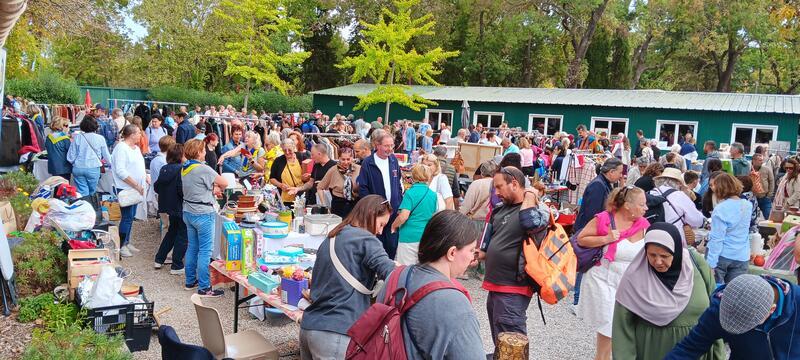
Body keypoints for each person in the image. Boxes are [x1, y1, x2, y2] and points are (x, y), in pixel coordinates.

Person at [299, 195, 396, 359]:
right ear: (371, 214)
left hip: (309, 327)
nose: (380, 232)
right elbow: (392, 274)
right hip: (337, 331)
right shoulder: (366, 240)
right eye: (381, 224)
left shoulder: (333, 236)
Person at [379, 210, 485, 359]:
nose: (472, 259)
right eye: (471, 250)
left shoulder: (396, 275)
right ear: (452, 253)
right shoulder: (456, 305)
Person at [613, 222, 724, 360]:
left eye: (664, 256)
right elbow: (622, 326)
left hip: (695, 352)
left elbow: (715, 313)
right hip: (651, 352)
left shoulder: (697, 266)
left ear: (676, 252)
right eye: (652, 255)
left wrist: (718, 354)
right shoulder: (635, 277)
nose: (658, 261)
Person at [576, 186, 650, 360]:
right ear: (627, 206)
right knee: (609, 325)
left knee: (621, 328)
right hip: (603, 279)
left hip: (629, 283)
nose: (646, 208)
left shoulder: (645, 225)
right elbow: (581, 239)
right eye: (642, 204)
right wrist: (606, 238)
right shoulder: (604, 219)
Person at [479, 166, 550, 348]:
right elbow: (490, 237)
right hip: (496, 286)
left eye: (499, 187)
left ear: (515, 184)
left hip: (514, 288)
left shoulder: (538, 210)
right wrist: (481, 253)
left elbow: (528, 221)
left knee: (512, 343)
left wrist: (531, 195)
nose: (496, 192)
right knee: (501, 341)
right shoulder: (500, 209)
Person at [665, 274, 800, 359]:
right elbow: (689, 348)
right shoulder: (720, 308)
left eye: (744, 327)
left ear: (771, 310)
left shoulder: (797, 301)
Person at [181, 139, 228, 297]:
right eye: (203, 150)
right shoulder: (203, 168)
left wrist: (211, 188)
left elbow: (197, 186)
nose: (205, 153)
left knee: (192, 247)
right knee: (205, 251)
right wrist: (215, 187)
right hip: (203, 213)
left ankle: (190, 280)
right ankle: (204, 287)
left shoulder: (185, 168)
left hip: (188, 211)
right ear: (198, 152)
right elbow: (225, 182)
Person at [358, 130, 403, 259]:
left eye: (392, 146)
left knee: (392, 245)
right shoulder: (368, 162)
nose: (390, 149)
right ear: (377, 145)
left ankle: (388, 275)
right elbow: (363, 188)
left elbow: (399, 183)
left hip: (393, 212)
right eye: (386, 146)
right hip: (376, 213)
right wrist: (371, 208)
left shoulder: (393, 160)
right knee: (376, 245)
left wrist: (399, 202)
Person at [706, 172, 752, 284]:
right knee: (735, 295)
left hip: (722, 255)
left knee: (717, 294)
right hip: (742, 255)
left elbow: (717, 238)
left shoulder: (720, 209)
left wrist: (710, 264)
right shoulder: (747, 205)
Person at [111, 125, 148, 258]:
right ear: (131, 135)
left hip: (136, 187)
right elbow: (121, 171)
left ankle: (127, 241)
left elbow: (139, 166)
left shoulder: (136, 148)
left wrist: (145, 176)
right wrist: (136, 185)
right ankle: (121, 245)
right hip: (127, 187)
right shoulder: (121, 148)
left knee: (131, 216)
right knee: (126, 217)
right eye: (138, 133)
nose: (140, 135)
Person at [391, 164, 439, 265]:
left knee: (404, 269)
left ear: (414, 176)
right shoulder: (433, 195)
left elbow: (403, 216)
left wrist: (393, 225)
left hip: (408, 236)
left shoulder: (410, 193)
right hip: (425, 237)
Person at [153, 144, 187, 274]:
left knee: (172, 232)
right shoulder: (181, 170)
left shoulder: (164, 169)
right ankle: (177, 265)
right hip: (180, 205)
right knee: (182, 235)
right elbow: (181, 189)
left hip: (167, 206)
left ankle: (159, 258)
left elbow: (157, 186)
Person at [650, 168, 706, 244]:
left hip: (652, 236)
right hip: (673, 238)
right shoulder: (679, 196)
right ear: (678, 183)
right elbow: (697, 220)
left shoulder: (651, 193)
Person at [575, 158, 625, 233]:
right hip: (587, 231)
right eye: (620, 173)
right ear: (611, 172)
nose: (621, 176)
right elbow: (592, 214)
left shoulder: (604, 183)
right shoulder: (598, 185)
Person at [68, 115, 112, 196]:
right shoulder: (100, 138)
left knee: (82, 191)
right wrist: (110, 165)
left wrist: (74, 163)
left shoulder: (77, 137)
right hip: (93, 167)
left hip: (78, 167)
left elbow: (71, 156)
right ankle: (91, 206)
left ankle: (84, 205)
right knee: (92, 191)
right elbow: (106, 155)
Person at [318, 147, 360, 218]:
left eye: (348, 159)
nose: (346, 162)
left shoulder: (359, 169)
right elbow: (320, 187)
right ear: (339, 158)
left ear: (352, 158)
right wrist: (324, 205)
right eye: (343, 159)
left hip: (355, 206)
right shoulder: (333, 170)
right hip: (338, 206)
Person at [460, 161, 496, 230]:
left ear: (482, 172)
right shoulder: (498, 183)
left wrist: (459, 216)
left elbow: (467, 205)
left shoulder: (476, 184)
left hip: (476, 222)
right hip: (493, 222)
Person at [270, 139, 304, 206]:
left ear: (294, 148)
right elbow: (272, 178)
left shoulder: (302, 157)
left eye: (290, 150)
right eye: (285, 150)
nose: (287, 152)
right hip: (284, 198)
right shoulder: (278, 161)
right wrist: (280, 185)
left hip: (301, 196)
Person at [44, 116, 72, 181]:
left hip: (53, 166)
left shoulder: (48, 137)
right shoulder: (64, 138)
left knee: (56, 185)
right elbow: (70, 152)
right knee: (65, 187)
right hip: (64, 167)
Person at [753, 153, 775, 219]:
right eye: (760, 160)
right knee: (753, 217)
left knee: (768, 216)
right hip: (753, 197)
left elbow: (772, 181)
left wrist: (769, 195)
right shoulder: (749, 169)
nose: (762, 162)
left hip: (765, 197)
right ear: (754, 160)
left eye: (762, 160)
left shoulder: (767, 169)